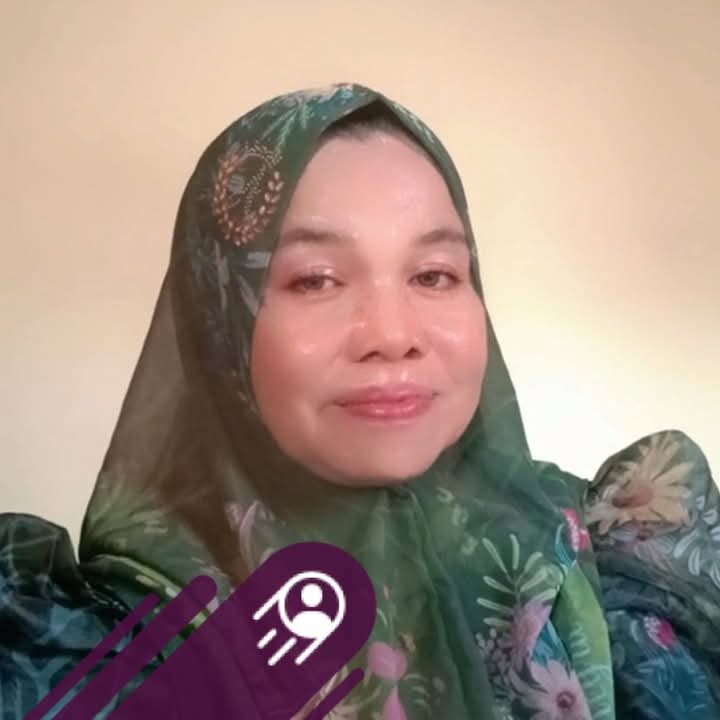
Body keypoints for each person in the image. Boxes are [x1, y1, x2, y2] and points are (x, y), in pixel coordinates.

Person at [1, 83, 718, 720]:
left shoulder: (616, 560)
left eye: (434, 275)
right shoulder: (92, 649)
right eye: (315, 279)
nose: (394, 335)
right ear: (220, 323)